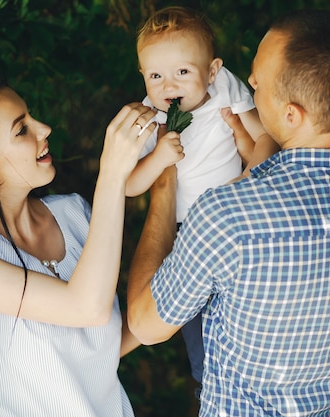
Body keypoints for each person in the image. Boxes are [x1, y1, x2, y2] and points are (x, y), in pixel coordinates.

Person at [127, 9, 330, 417]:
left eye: (258, 82)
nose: (247, 84)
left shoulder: (228, 218)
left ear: (290, 115)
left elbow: (144, 324)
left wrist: (163, 185)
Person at [0, 78, 159, 417]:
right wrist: (112, 174)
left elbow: (97, 349)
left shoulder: (73, 213)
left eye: (31, 118)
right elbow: (87, 307)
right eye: (22, 130)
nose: (44, 129)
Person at [125, 5, 279, 388]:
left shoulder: (225, 87)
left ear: (212, 70)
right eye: (156, 76)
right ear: (143, 77)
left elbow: (265, 136)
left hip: (241, 213)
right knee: (198, 320)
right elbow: (127, 185)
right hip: (185, 234)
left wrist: (249, 175)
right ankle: (210, 381)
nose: (168, 87)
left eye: (182, 72)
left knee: (252, 301)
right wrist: (159, 158)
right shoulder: (148, 118)